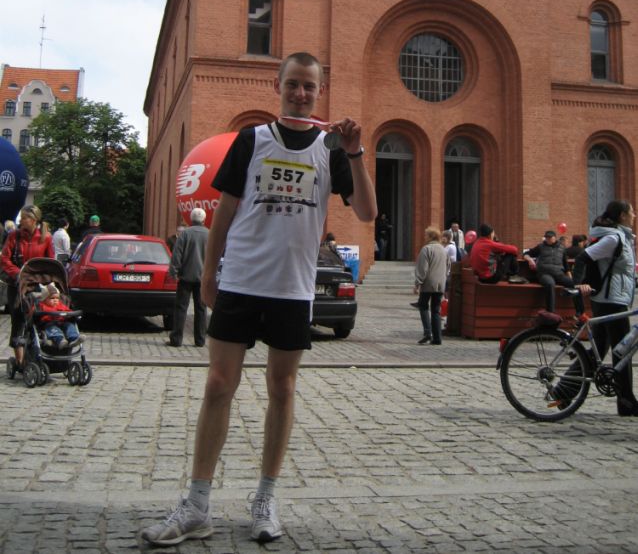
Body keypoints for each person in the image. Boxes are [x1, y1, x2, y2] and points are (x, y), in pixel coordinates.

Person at [141, 51, 377, 546]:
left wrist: (355, 152)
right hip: (242, 280)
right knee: (217, 385)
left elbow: (367, 212)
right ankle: (197, 504)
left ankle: (266, 497)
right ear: (278, 86)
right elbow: (225, 211)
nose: (301, 93)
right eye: (293, 84)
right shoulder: (251, 140)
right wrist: (210, 271)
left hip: (293, 287)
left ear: (320, 91)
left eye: (309, 86)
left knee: (282, 390)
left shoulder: (330, 148)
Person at [573, 200, 638, 417]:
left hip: (612, 298)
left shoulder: (621, 237)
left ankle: (563, 390)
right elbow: (583, 257)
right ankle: (627, 402)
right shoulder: (613, 238)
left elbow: (624, 271)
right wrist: (578, 284)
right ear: (622, 216)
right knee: (623, 350)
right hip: (611, 300)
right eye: (632, 212)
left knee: (600, 349)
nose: (634, 215)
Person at [0, 205, 54, 367]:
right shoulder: (14, 236)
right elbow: (4, 259)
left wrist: (46, 279)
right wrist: (18, 273)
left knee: (38, 317)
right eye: (21, 217)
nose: (21, 220)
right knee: (18, 319)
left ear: (34, 220)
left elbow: (50, 261)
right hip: (16, 284)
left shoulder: (45, 237)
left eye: (24, 218)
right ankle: (21, 362)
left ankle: (39, 353)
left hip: (36, 284)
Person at [167, 209, 209, 348]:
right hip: (202, 278)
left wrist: (173, 272)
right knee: (201, 309)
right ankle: (200, 340)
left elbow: (177, 254)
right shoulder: (209, 234)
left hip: (185, 277)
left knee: (181, 308)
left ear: (191, 219)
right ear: (204, 219)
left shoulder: (185, 234)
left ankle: (176, 339)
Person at [524, 230, 584, 318]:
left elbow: (566, 265)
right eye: (546, 237)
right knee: (550, 284)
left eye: (550, 237)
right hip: (544, 273)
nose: (548, 239)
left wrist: (570, 278)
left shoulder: (562, 248)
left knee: (575, 284)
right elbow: (526, 253)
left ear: (555, 238)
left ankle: (580, 311)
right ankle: (550, 312)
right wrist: (530, 260)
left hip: (559, 274)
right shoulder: (540, 247)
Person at [413, 227, 450, 345]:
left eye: (426, 235)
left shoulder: (427, 249)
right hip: (440, 283)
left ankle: (427, 332)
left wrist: (417, 283)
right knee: (436, 310)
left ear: (430, 236)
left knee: (423, 306)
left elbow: (422, 268)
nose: (424, 237)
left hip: (428, 283)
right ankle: (437, 337)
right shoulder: (443, 250)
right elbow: (448, 267)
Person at [35, 282, 81, 348]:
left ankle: (74, 339)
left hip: (62, 322)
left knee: (70, 325)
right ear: (44, 299)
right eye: (52, 298)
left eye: (57, 298)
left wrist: (71, 314)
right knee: (52, 328)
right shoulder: (42, 306)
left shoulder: (60, 305)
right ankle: (60, 341)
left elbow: (68, 311)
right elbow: (37, 313)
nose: (55, 300)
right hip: (49, 323)